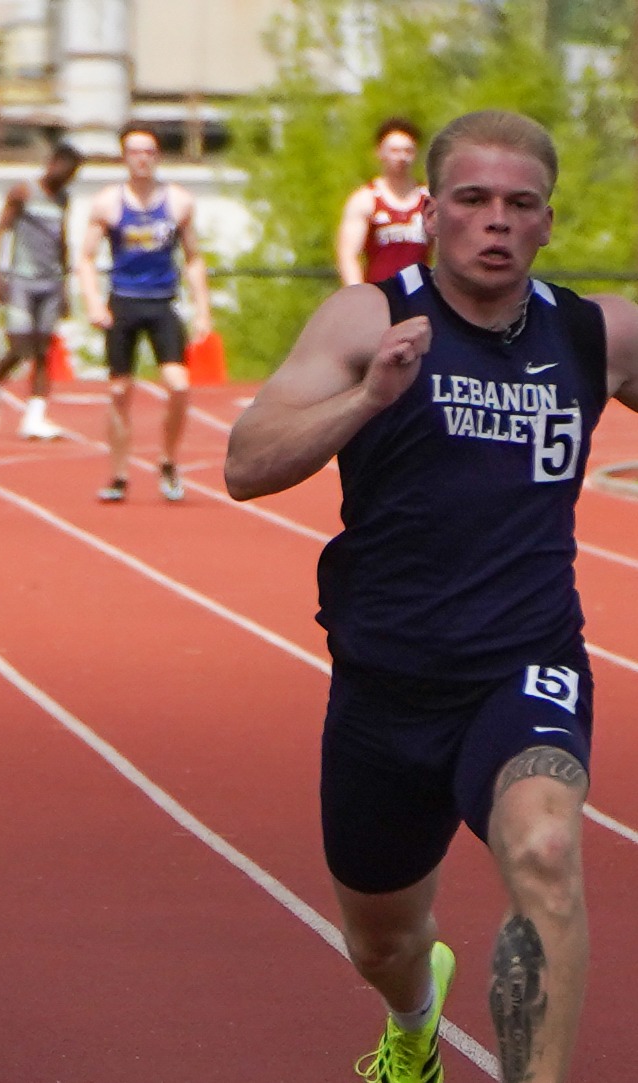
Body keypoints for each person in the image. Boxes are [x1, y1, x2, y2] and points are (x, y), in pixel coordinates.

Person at [226, 109, 638, 1083]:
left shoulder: (594, 332)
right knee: (383, 942)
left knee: (543, 850)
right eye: (473, 200)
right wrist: (368, 398)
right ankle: (414, 1022)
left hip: (526, 665)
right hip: (386, 683)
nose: (496, 221)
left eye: (520, 204)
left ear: (546, 223)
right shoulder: (369, 320)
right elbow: (247, 463)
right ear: (434, 213)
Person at [74, 126, 213, 503]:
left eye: (149, 151)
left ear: (157, 156)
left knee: (179, 385)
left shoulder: (179, 202)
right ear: (124, 157)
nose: (142, 158)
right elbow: (85, 258)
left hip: (162, 302)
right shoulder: (108, 203)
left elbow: (194, 258)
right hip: (123, 301)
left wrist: (203, 310)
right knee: (119, 390)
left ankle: (168, 459)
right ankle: (119, 474)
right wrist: (92, 302)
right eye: (134, 152)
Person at [0, 141, 82, 438]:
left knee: (43, 350)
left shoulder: (63, 199)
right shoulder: (23, 192)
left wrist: (65, 285)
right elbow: (0, 230)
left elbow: (62, 241)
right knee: (20, 345)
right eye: (63, 169)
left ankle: (34, 416)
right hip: (22, 279)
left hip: (50, 282)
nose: (66, 177)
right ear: (52, 164)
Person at [337, 117, 431, 286]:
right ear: (380, 152)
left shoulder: (430, 200)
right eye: (394, 151)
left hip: (421, 299)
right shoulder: (365, 199)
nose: (402, 157)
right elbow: (348, 254)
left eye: (407, 151)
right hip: (380, 297)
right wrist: (358, 295)